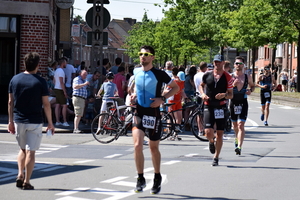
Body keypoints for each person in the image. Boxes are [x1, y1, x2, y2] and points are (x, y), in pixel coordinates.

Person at [131, 45, 179, 194]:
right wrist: (133, 95)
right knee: (138, 145)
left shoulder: (160, 74)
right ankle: (140, 178)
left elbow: (176, 88)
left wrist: (162, 99)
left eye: (146, 54)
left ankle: (157, 176)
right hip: (139, 112)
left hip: (153, 114)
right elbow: (134, 87)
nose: (142, 56)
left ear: (152, 57)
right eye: (140, 54)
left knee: (153, 148)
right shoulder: (136, 71)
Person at [8, 52, 55, 190]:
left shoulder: (15, 80)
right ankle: (27, 181)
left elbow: (10, 102)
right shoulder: (40, 81)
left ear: (25, 64)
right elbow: (46, 104)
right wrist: (50, 123)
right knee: (31, 151)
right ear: (37, 65)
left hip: (18, 120)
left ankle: (19, 174)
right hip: (34, 121)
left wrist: (10, 121)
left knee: (22, 149)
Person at [199, 54, 233, 166]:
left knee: (220, 133)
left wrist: (224, 95)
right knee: (208, 132)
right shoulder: (207, 74)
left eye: (219, 62)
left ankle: (216, 157)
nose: (216, 64)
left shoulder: (227, 77)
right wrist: (203, 94)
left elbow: (230, 95)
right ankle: (211, 141)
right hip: (208, 104)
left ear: (223, 63)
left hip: (221, 106)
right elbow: (201, 85)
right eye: (215, 62)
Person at [230, 56, 255, 155]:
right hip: (233, 102)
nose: (238, 65)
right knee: (235, 125)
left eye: (240, 64)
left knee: (241, 125)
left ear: (243, 65)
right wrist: (233, 86)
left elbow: (252, 86)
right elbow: (225, 90)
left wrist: (250, 90)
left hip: (243, 102)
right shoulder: (231, 77)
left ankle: (239, 147)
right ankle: (236, 138)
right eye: (236, 63)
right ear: (234, 65)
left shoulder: (247, 77)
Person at [166, 68, 188, 140]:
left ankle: (176, 133)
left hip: (178, 101)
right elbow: (166, 91)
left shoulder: (182, 82)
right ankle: (169, 133)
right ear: (177, 77)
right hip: (171, 101)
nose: (181, 81)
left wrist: (185, 97)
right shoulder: (173, 82)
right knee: (171, 118)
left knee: (179, 117)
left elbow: (182, 91)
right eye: (180, 79)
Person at [53, 57, 69, 127]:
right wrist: (64, 92)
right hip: (60, 89)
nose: (66, 64)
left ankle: (57, 121)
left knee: (57, 105)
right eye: (65, 63)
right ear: (63, 63)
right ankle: (65, 121)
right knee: (64, 105)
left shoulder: (56, 70)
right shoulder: (61, 71)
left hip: (56, 88)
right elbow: (61, 82)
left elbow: (54, 81)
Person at [193, 61, 208, 136]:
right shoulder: (205, 75)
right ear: (205, 67)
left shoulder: (195, 75)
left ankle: (200, 130)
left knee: (198, 114)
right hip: (204, 95)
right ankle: (205, 129)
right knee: (205, 113)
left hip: (197, 94)